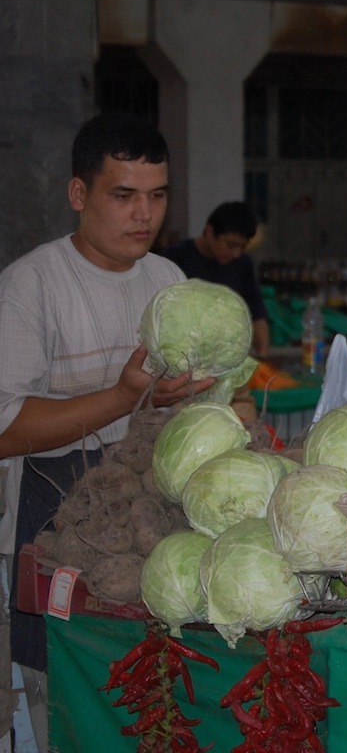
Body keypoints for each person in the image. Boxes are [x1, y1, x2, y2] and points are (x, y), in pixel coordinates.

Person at [0, 113, 212, 737]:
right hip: (51, 512)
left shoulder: (167, 280)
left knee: (145, 706)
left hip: (149, 515)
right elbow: (6, 428)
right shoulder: (30, 287)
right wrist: (124, 397)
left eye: (156, 195)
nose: (142, 215)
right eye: (123, 196)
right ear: (79, 194)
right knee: (66, 708)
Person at [161, 201, 271, 356]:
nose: (236, 254)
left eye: (242, 247)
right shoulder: (174, 259)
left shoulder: (242, 264)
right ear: (210, 232)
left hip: (226, 357)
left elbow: (257, 313)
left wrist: (263, 357)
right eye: (231, 245)